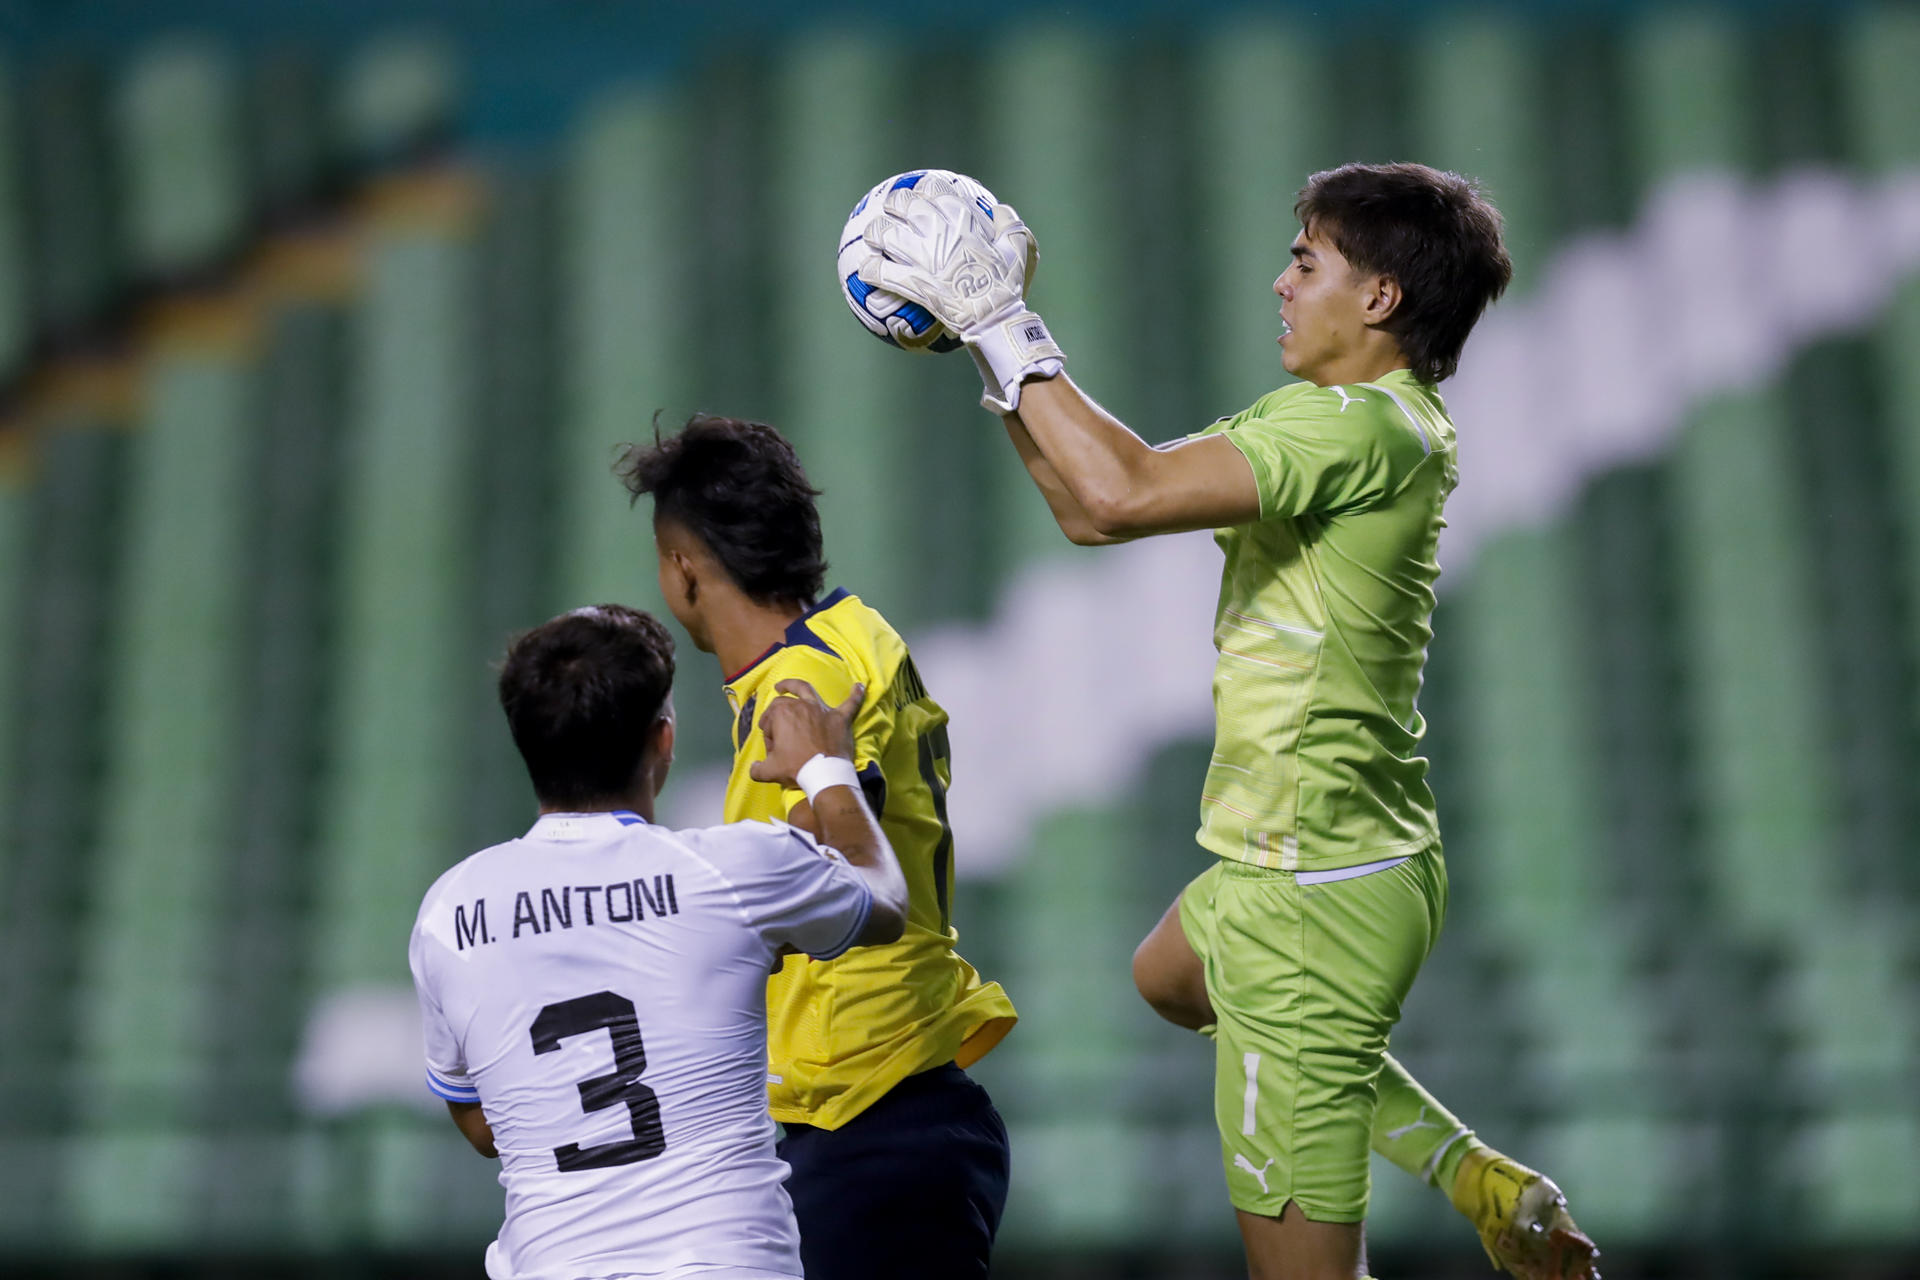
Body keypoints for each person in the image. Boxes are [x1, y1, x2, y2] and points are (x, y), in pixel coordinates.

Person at [859, 163, 1599, 1280]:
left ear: (1381, 299)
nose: (1279, 283)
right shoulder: (1338, 417)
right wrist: (984, 341)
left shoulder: (1358, 432)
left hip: (1308, 895)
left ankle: (1465, 1176)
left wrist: (1008, 320)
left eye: (1307, 262)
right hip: (1322, 857)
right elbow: (1089, 510)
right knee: (1173, 975)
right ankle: (1479, 1177)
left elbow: (1122, 491)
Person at [617, 416, 1018, 1280]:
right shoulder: (857, 633)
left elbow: (842, 850)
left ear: (683, 569)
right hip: (910, 1103)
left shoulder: (794, 702)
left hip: (858, 1117)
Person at [407, 603, 909, 1280]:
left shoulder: (449, 911)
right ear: (662, 739)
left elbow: (483, 1128)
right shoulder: (733, 870)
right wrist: (826, 770)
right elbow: (882, 898)